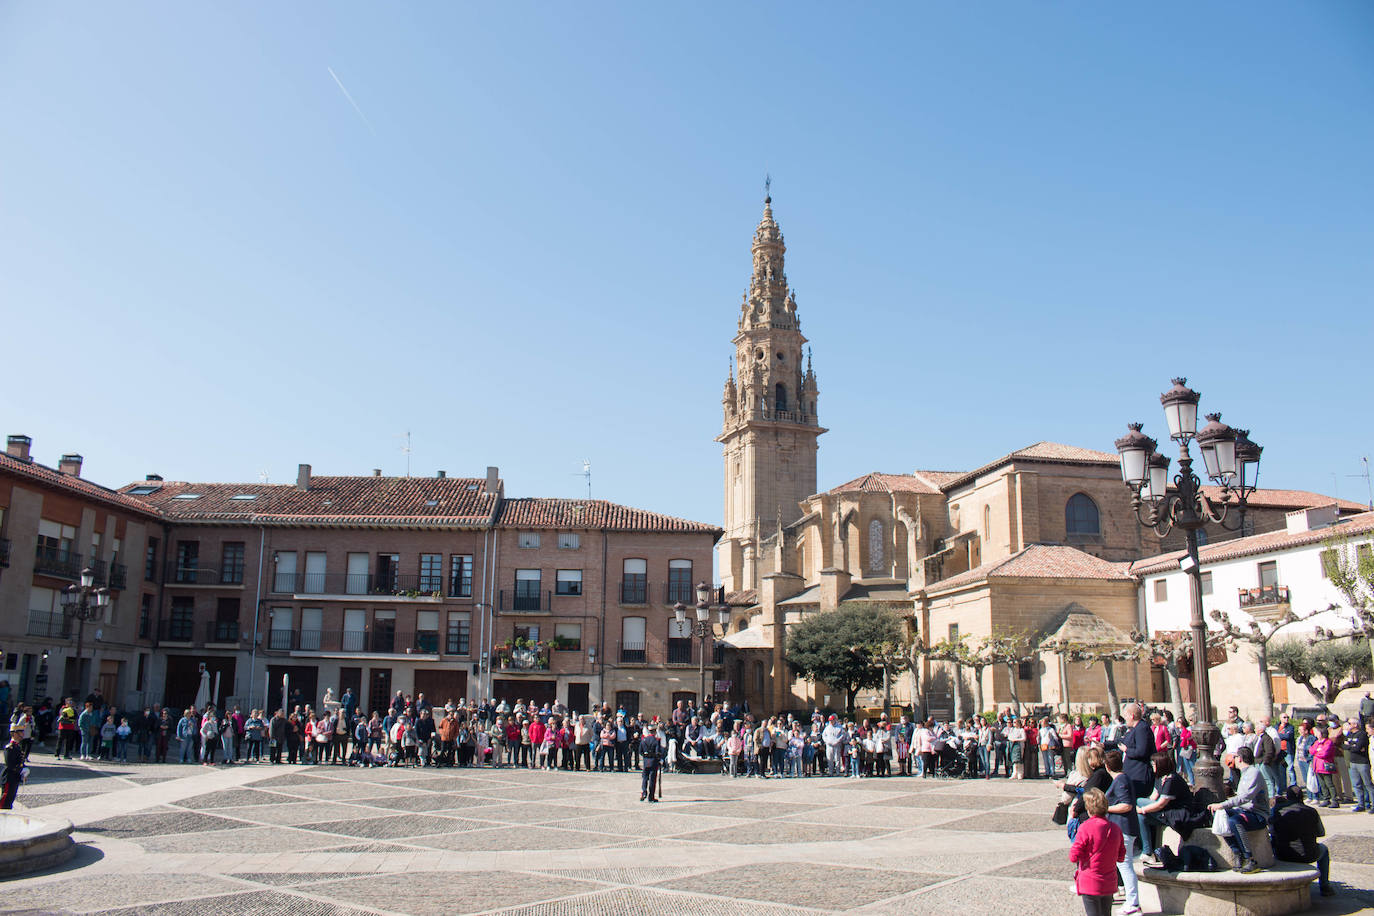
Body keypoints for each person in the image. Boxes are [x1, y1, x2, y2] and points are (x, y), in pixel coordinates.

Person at [1207, 746, 1269, 873]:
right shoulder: (1245, 773)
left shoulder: (1253, 773)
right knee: (1220, 815)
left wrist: (1223, 804)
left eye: (1234, 756)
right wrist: (1221, 807)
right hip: (1244, 811)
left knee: (1234, 821)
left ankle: (1250, 858)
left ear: (1239, 758)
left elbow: (1244, 797)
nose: (1231, 759)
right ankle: (1237, 853)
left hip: (1257, 814)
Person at [1270, 785, 1335, 896]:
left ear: (1287, 797)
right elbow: (1321, 833)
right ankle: (1324, 886)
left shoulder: (1277, 811)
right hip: (1308, 854)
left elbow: (1272, 831)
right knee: (1324, 850)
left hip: (1282, 854)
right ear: (1302, 797)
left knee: (1272, 844)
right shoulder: (1312, 811)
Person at [1070, 787, 1125, 916]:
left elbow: (1074, 856)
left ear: (1089, 809)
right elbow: (1121, 856)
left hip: (1090, 881)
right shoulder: (1115, 828)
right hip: (1109, 881)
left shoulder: (1085, 827)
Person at [1104, 749, 1142, 916]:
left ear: (1107, 766)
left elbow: (1126, 805)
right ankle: (1128, 898)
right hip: (1121, 827)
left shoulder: (1120, 781)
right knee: (1122, 865)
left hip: (1124, 827)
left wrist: (1105, 808)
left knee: (1125, 866)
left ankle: (1133, 903)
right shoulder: (1122, 779)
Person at [1343, 717, 1371, 813]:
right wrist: (1352, 746)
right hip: (1353, 762)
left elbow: (1358, 748)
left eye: (1350, 723)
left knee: (1368, 784)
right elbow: (1344, 745)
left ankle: (1370, 803)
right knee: (1356, 785)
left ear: (1355, 724)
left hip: (1362, 762)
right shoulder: (1349, 734)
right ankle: (1360, 804)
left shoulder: (1362, 734)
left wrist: (1350, 745)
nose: (1348, 725)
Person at [640, 718, 663, 802]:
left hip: (646, 761)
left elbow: (640, 751)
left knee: (645, 778)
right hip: (653, 762)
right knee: (652, 779)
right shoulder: (656, 741)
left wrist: (646, 756)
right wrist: (659, 758)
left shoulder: (643, 740)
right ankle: (651, 796)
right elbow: (658, 752)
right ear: (654, 731)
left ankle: (644, 792)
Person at [1, 731, 24, 809]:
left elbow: (20, 761)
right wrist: (20, 770)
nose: (22, 735)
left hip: (15, 777)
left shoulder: (18, 746)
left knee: (11, 798)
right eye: (20, 733)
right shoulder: (9, 747)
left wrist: (24, 768)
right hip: (9, 777)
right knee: (5, 799)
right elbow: (9, 764)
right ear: (14, 734)